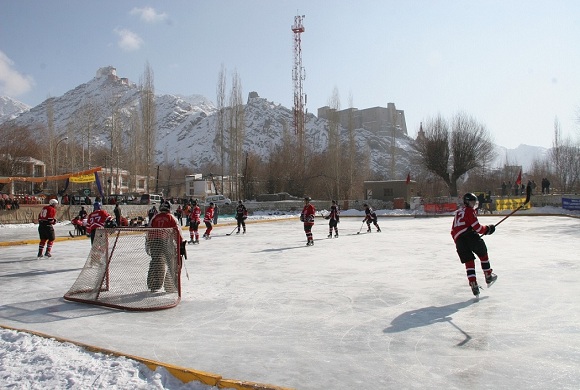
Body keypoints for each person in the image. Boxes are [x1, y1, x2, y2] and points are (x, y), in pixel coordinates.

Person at [451, 193, 497, 297]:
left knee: (469, 262)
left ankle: (473, 284)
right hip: (470, 236)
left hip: (459, 241)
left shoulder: (458, 212)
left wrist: (460, 243)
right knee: (483, 253)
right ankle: (488, 274)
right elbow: (478, 228)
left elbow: (453, 232)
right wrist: (488, 229)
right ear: (467, 202)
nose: (473, 204)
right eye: (472, 202)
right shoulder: (469, 211)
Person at [147, 201, 183, 293]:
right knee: (172, 262)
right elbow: (177, 233)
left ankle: (154, 285)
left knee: (157, 262)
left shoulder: (155, 217)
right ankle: (170, 286)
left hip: (154, 242)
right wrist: (180, 244)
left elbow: (149, 231)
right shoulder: (172, 218)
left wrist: (148, 244)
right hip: (166, 242)